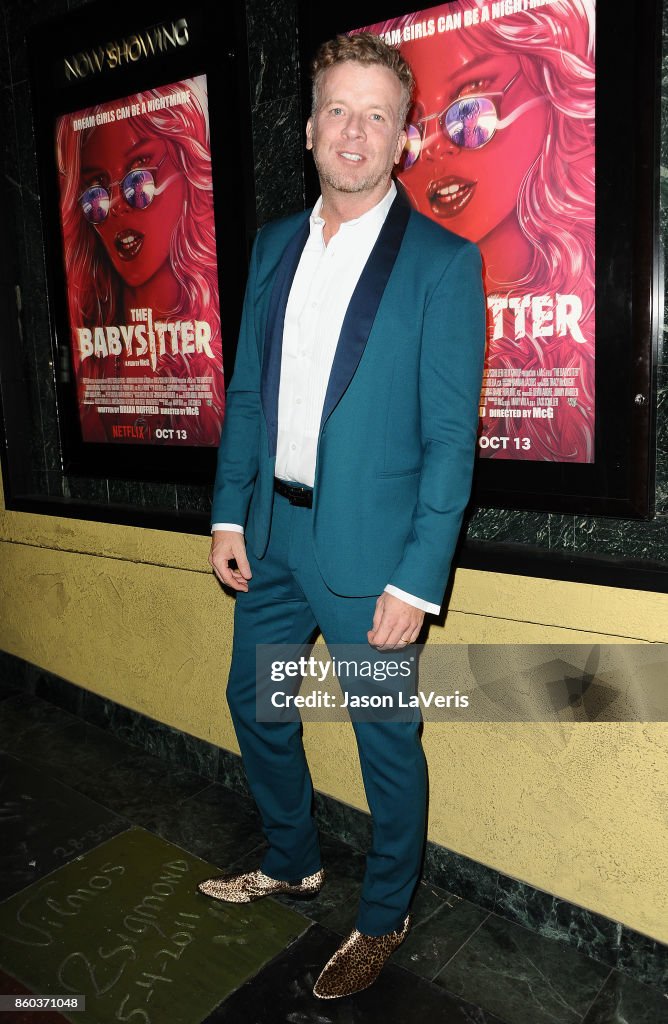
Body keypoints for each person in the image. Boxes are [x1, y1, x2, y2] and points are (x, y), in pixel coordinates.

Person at [198, 33, 485, 999]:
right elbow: (248, 394)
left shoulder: (445, 264)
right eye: (337, 110)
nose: (354, 132)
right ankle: (292, 857)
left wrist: (419, 580)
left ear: (403, 138)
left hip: (372, 561)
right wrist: (229, 515)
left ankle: (386, 911)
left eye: (377, 115)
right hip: (273, 540)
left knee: (383, 739)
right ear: (307, 125)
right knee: (259, 704)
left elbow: (452, 440)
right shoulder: (276, 244)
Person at [380, 0, 595, 462]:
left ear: (550, 86)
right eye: (412, 135)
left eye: (470, 112)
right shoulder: (392, 292)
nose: (435, 150)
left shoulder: (587, 304)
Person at [56, 76, 224, 446]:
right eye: (96, 191)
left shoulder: (215, 332)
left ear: (186, 166)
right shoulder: (91, 350)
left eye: (140, 175)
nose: (115, 205)